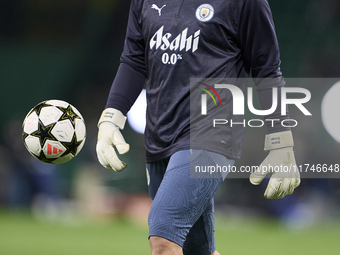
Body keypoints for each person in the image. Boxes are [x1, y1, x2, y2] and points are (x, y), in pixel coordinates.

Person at [96, 0, 301, 254]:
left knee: (162, 236)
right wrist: (112, 116)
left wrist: (281, 139)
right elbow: (135, 59)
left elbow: (267, 70)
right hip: (159, 135)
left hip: (213, 133)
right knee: (198, 251)